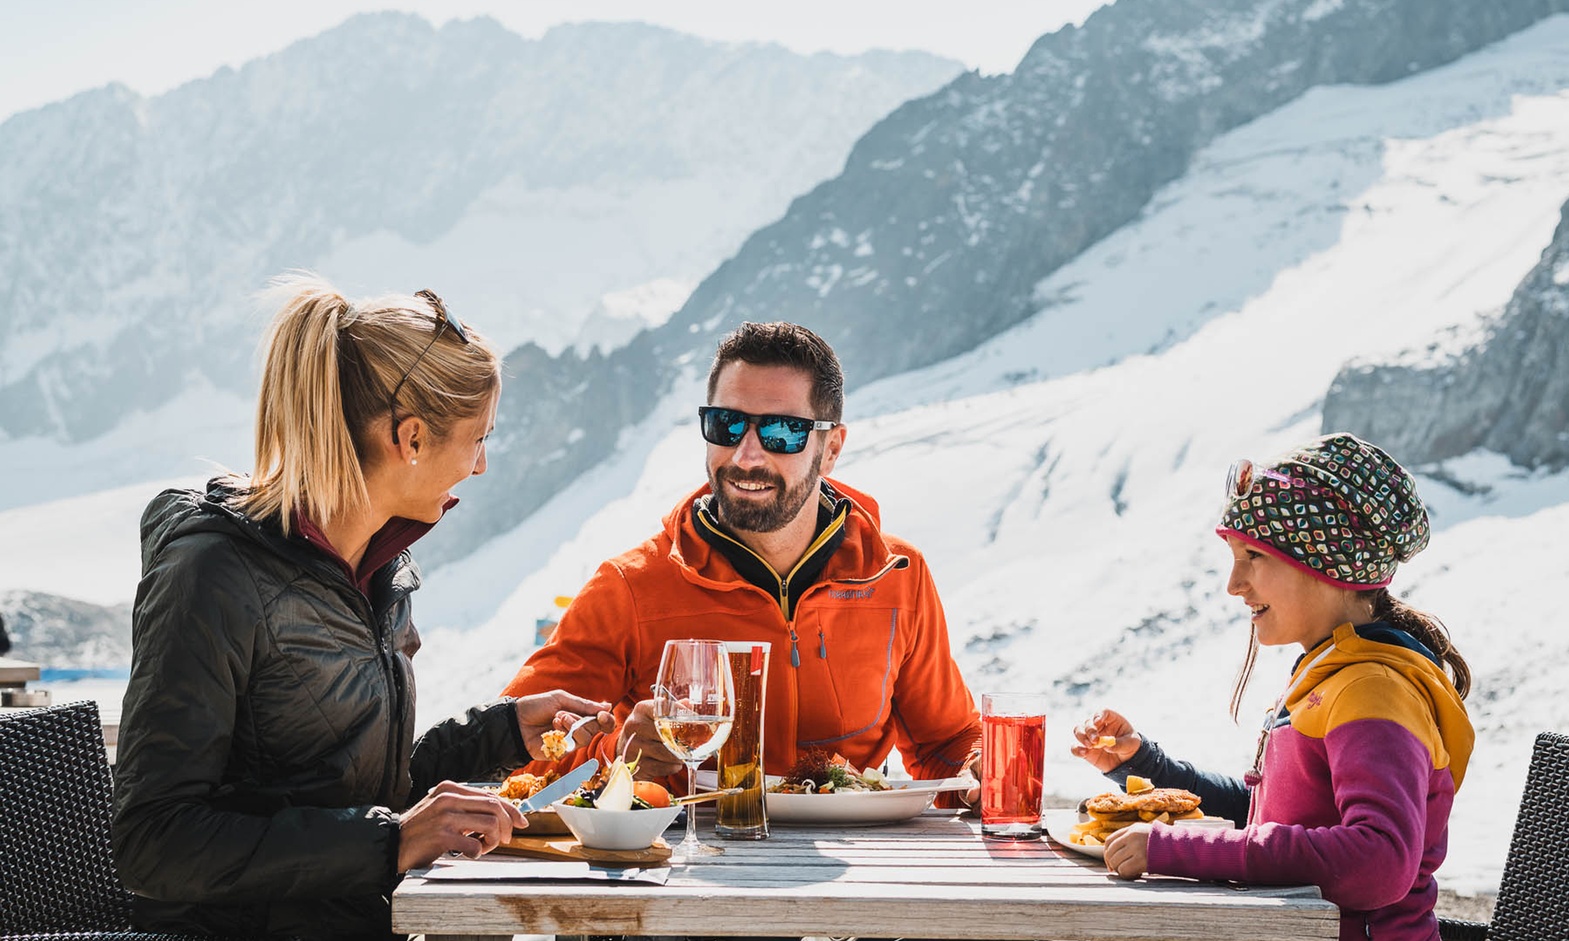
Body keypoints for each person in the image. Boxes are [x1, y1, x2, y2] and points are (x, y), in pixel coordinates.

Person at [112, 275, 615, 940]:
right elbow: (155, 842)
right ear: (409, 438)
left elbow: (366, 794)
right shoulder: (213, 576)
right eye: (478, 437)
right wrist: (387, 844)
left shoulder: (379, 573)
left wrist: (503, 732)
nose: (482, 464)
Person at [502, 321, 981, 798]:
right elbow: (511, 755)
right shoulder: (629, 587)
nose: (747, 456)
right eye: (727, 425)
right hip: (683, 862)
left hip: (852, 858)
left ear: (830, 448)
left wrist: (981, 771)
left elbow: (947, 744)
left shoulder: (897, 574)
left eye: (783, 432)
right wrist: (616, 757)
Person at [1072, 433, 1474, 941]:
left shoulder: (1372, 690)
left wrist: (1173, 848)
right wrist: (1145, 765)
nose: (1234, 584)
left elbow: (1379, 861)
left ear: (1325, 564)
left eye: (1254, 557)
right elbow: (1268, 817)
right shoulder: (1331, 672)